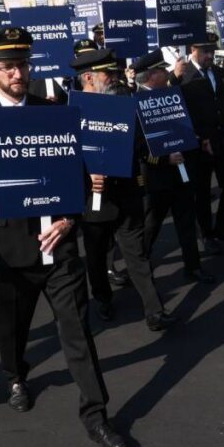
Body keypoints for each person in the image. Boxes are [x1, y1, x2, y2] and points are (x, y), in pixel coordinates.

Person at [0, 27, 126, 447]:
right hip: (6, 250)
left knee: (77, 330)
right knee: (12, 328)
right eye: (8, 66)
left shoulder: (53, 111)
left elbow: (74, 178)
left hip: (58, 246)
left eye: (23, 64)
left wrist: (71, 219)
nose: (19, 73)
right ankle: (16, 375)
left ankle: (96, 414)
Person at [72, 47, 176, 331]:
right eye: (109, 74)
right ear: (89, 78)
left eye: (116, 72)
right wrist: (87, 177)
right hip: (94, 199)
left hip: (127, 191)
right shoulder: (70, 111)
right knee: (95, 254)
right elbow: (65, 157)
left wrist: (160, 155)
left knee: (137, 254)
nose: (115, 78)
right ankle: (103, 299)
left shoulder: (125, 102)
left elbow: (141, 145)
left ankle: (154, 310)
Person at [134, 50, 215, 284]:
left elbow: (183, 128)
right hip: (157, 176)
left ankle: (193, 266)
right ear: (152, 76)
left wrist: (198, 141)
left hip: (181, 171)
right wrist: (163, 160)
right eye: (162, 70)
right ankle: (140, 266)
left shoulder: (171, 95)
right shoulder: (135, 103)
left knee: (186, 221)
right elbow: (139, 148)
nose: (167, 73)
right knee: (152, 225)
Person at [171, 31, 224, 255]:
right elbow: (174, 109)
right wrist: (174, 78)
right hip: (199, 145)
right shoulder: (182, 75)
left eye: (212, 51)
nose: (209, 55)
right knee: (202, 193)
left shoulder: (220, 73)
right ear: (193, 50)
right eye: (205, 52)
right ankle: (206, 233)